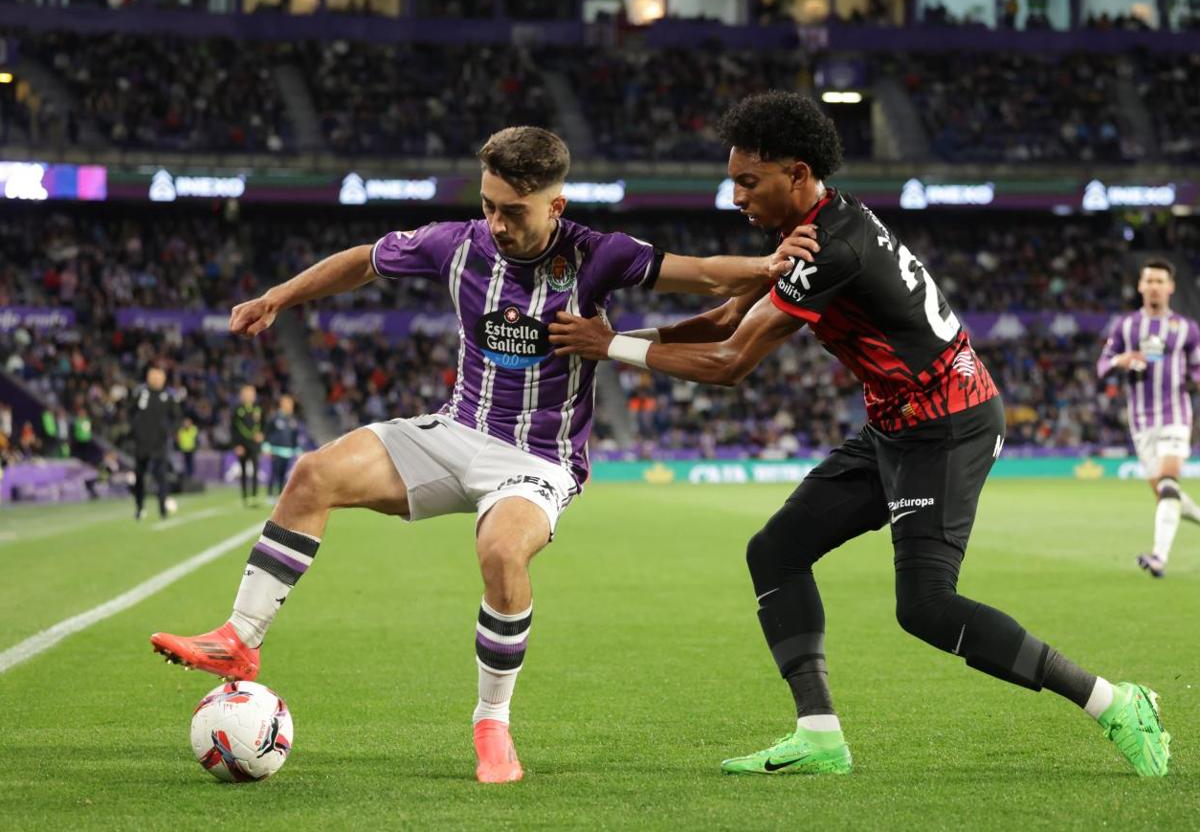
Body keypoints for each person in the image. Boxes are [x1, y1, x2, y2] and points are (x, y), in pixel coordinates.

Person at [149, 125, 820, 784]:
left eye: (514, 211)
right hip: (457, 431)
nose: (496, 223)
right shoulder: (456, 245)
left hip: (539, 459)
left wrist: (764, 267)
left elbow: (699, 275)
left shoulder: (598, 254)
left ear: (555, 206)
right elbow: (363, 260)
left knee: (501, 552)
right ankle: (240, 638)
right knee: (313, 473)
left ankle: (492, 722)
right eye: (489, 205)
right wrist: (278, 296)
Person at [549, 92, 1170, 778]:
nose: (735, 197)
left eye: (748, 182)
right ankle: (819, 738)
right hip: (896, 425)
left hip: (948, 426)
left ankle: (1117, 702)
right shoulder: (817, 224)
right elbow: (727, 319)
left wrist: (612, 349)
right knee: (776, 552)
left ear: (798, 173)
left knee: (927, 606)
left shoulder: (833, 246)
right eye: (732, 181)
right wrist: (618, 339)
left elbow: (730, 364)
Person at [1097, 258, 1200, 578]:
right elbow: (1101, 366)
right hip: (1141, 422)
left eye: (1160, 281)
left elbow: (1198, 369)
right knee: (1166, 495)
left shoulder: (1187, 329)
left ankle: (1158, 557)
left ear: (1170, 287)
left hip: (1175, 415)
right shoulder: (1125, 327)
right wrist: (1121, 361)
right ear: (1140, 286)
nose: (1154, 286)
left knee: (1169, 482)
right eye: (1149, 281)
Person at [130, 366, 177, 521]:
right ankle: (139, 507)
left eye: (159, 376)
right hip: (142, 443)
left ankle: (162, 508)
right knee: (140, 477)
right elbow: (129, 411)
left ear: (163, 378)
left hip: (160, 444)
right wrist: (135, 430)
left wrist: (168, 431)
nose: (156, 379)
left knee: (161, 477)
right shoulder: (140, 393)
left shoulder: (168, 396)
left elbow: (177, 417)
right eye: (153, 376)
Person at [264, 395, 302, 498]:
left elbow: (295, 437)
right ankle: (270, 494)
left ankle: (280, 495)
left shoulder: (293, 419)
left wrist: (298, 450)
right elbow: (267, 433)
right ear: (282, 404)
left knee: (283, 475)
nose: (290, 406)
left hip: (288, 452)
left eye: (291, 404)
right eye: (288, 403)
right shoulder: (274, 417)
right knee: (274, 473)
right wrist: (266, 447)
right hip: (276, 450)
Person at [232, 384, 264, 507]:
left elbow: (263, 424)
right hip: (242, 444)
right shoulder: (237, 409)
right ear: (242, 396)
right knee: (243, 470)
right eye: (246, 394)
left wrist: (262, 434)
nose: (249, 396)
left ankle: (254, 496)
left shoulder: (258, 408)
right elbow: (233, 428)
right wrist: (236, 445)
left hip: (254, 444)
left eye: (251, 394)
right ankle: (245, 496)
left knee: (256, 469)